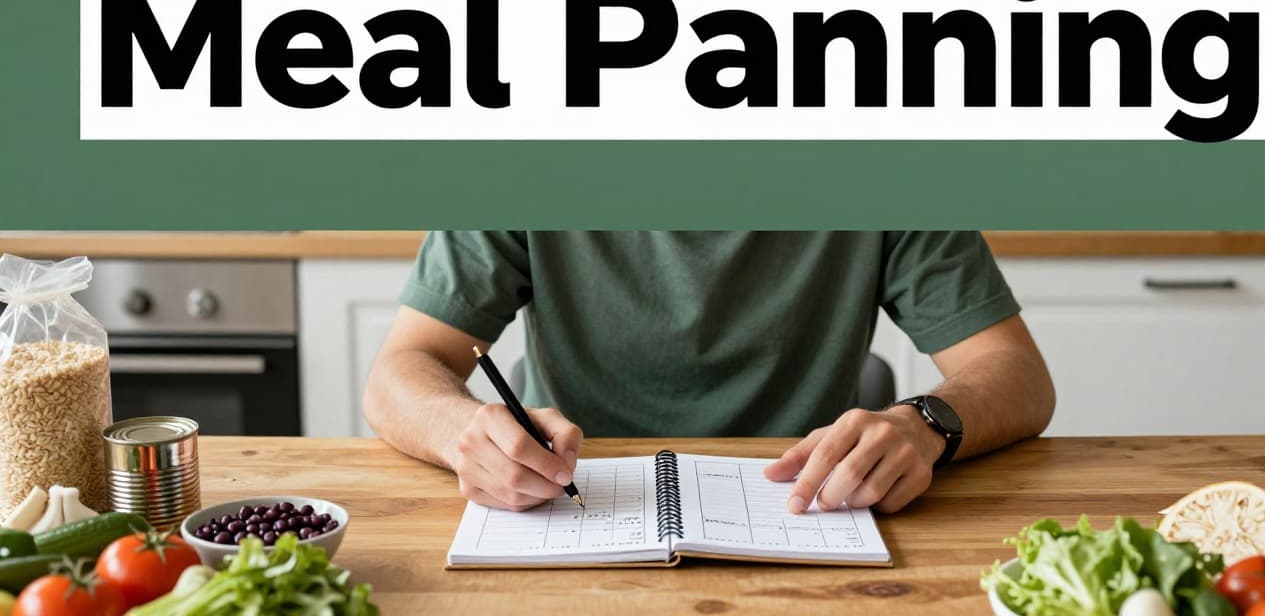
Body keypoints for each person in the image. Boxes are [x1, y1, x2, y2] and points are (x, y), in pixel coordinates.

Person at [364, 231, 1054, 515]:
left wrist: (925, 422)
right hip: (566, 511)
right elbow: (402, 368)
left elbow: (1014, 371)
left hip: (814, 513)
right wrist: (463, 429)